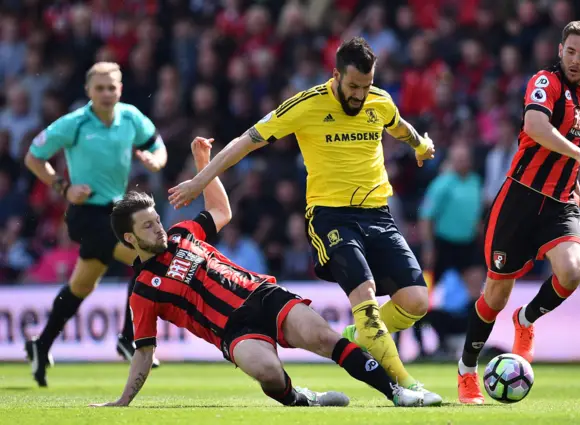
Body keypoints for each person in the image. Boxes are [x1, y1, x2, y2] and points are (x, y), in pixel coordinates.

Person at [167, 37, 442, 405]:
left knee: (417, 301)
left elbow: (400, 126)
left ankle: (361, 334)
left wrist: (420, 146)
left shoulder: (380, 100)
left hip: (378, 214)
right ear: (335, 76)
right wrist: (200, 180)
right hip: (331, 217)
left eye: (366, 85)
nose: (360, 94)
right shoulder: (306, 105)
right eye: (353, 86)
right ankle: (405, 385)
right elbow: (246, 141)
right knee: (367, 300)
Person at [90, 137, 426, 408]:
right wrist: (123, 401)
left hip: (262, 294)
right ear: (131, 239)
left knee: (325, 338)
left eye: (157, 220)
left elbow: (220, 211)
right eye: (148, 226)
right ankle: (300, 399)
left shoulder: (181, 234)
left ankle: (396, 392)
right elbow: (145, 351)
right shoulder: (144, 290)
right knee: (268, 372)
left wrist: (204, 166)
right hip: (233, 329)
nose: (158, 228)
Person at [457, 21, 580, 404]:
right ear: (560, 50)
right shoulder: (545, 81)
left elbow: (570, 139)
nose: (576, 59)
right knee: (494, 296)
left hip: (559, 203)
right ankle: (467, 370)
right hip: (519, 201)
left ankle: (525, 321)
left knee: (572, 272)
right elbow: (535, 126)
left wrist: (572, 172)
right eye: (570, 51)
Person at [23, 62, 167, 387]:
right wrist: (63, 187)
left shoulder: (130, 117)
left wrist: (155, 160)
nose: (106, 93)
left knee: (81, 286)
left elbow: (156, 143)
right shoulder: (74, 123)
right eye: (99, 88)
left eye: (111, 87)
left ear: (120, 89)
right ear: (88, 91)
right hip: (85, 214)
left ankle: (40, 344)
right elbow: (33, 156)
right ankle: (129, 339)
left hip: (116, 213)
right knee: (148, 259)